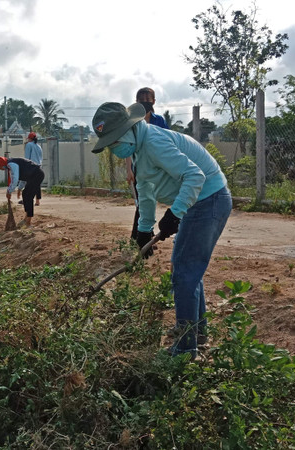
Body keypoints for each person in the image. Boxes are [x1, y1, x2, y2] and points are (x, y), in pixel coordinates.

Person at [92, 102, 231, 359]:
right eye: (110, 145)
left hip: (208, 199)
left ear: (129, 129)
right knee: (186, 269)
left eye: (114, 142)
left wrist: (174, 213)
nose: (114, 149)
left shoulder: (154, 142)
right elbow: (145, 190)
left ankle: (186, 349)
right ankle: (194, 334)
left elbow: (195, 176)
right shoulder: (138, 148)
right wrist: (144, 230)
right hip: (199, 201)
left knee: (185, 272)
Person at [128, 87, 169, 241]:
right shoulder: (133, 123)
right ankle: (138, 237)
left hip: (157, 168)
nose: (145, 102)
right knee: (142, 203)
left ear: (153, 101)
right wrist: (129, 170)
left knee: (150, 202)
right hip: (139, 168)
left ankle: (145, 236)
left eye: (148, 99)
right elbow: (129, 147)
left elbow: (166, 141)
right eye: (141, 100)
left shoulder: (159, 121)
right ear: (136, 102)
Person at [0, 156, 44, 227]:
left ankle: (28, 223)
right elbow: (24, 175)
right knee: (25, 194)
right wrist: (19, 189)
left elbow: (15, 179)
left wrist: (9, 191)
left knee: (28, 196)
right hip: (33, 176)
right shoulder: (11, 164)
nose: (2, 169)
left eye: (0, 168)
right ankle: (26, 219)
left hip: (37, 175)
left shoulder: (11, 164)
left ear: (1, 164)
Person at [18, 132, 44, 206]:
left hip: (31, 166)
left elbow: (27, 157)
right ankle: (37, 201)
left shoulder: (29, 145)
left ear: (29, 138)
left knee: (28, 183)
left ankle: (26, 199)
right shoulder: (39, 147)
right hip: (38, 166)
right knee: (37, 184)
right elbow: (41, 157)